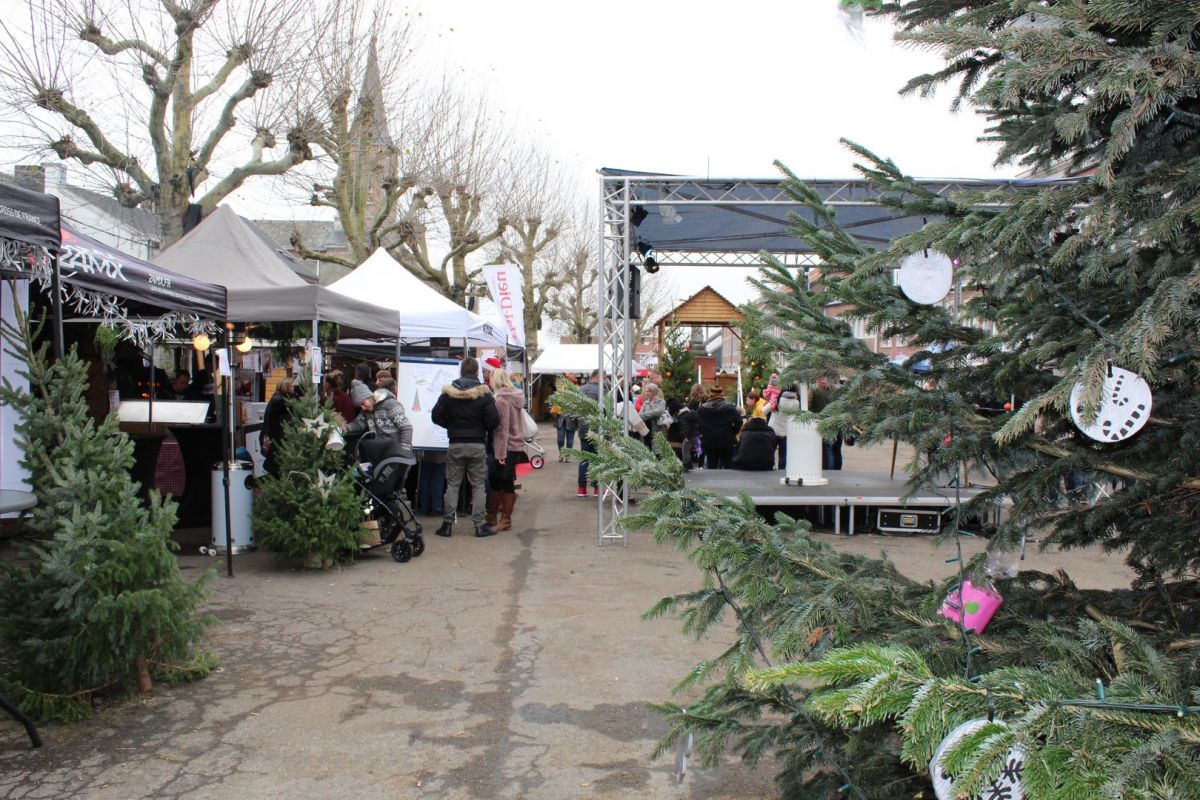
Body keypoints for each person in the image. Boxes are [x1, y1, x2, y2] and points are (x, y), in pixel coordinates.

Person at [430, 356, 500, 538]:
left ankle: (447, 525)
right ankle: (479, 526)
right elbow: (494, 420)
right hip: (477, 444)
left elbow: (436, 416)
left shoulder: (448, 394)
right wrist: (481, 428)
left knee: (453, 485)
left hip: (455, 443)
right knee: (478, 485)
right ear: (477, 372)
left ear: (461, 371)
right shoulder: (484, 394)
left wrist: (451, 426)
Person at [487, 368, 525, 532]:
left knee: (503, 482)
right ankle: (493, 516)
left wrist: (500, 453)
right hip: (514, 444)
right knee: (500, 481)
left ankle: (504, 519)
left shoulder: (502, 400)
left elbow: (502, 429)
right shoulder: (516, 396)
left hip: (506, 446)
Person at [696, 385, 742, 469]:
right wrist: (733, 432)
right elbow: (739, 421)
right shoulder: (730, 408)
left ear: (710, 395)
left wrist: (702, 432)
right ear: (722, 395)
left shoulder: (702, 409)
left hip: (709, 441)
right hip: (726, 441)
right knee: (728, 466)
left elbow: (696, 423)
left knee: (711, 465)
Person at [261, 377, 297, 477]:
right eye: (292, 386)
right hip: (279, 443)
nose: (294, 389)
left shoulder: (276, 399)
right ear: (285, 387)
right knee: (278, 472)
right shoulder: (281, 402)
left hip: (276, 442)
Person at [576, 369, 603, 497]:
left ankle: (581, 488)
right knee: (598, 459)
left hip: (583, 429)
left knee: (584, 459)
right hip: (597, 429)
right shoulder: (602, 391)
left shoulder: (581, 390)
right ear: (598, 377)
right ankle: (597, 489)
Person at [810, 378, 843, 470]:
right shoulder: (838, 389)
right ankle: (837, 469)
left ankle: (829, 470)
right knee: (837, 449)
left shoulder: (816, 389)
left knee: (828, 448)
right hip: (838, 421)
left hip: (824, 421)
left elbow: (810, 405)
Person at [769, 386, 800, 471]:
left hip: (773, 430)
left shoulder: (777, 399)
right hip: (786, 431)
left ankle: (770, 467)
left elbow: (764, 411)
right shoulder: (796, 403)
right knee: (783, 454)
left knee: (770, 451)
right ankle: (781, 471)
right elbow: (795, 417)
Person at [677, 384, 705, 471]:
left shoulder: (693, 402)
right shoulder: (705, 400)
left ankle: (687, 464)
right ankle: (701, 464)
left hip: (693, 428)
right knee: (699, 447)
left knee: (686, 447)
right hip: (702, 427)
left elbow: (689, 415)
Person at [637, 382, 670, 447]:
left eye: (648, 391)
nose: (646, 394)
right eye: (646, 392)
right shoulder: (646, 403)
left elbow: (658, 412)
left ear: (653, 392)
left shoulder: (661, 402)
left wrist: (646, 414)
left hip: (657, 431)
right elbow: (640, 415)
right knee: (646, 448)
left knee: (657, 450)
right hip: (646, 431)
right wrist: (651, 414)